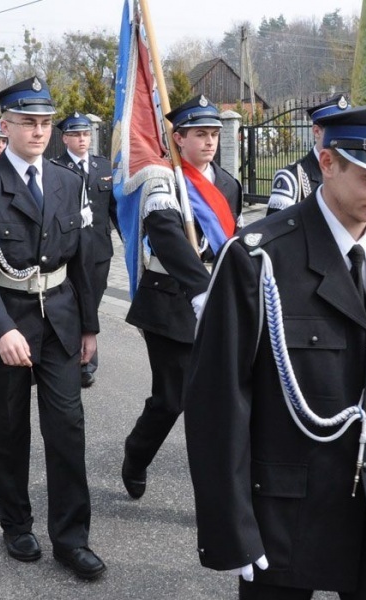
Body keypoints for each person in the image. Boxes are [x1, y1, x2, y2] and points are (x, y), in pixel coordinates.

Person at [185, 102, 366, 600]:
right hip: (284, 512)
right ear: (328, 162)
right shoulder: (260, 258)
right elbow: (218, 403)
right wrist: (233, 528)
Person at [0, 77, 104, 579]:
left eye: (46, 122)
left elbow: (84, 258)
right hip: (5, 324)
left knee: (68, 430)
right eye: (29, 123)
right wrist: (0, 329)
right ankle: (17, 524)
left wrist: (91, 327)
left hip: (61, 322)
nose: (40, 131)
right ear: (6, 126)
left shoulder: (68, 180)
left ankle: (71, 538)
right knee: (8, 430)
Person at [121, 94, 241, 500]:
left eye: (214, 134)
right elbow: (167, 236)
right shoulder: (163, 178)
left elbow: (231, 242)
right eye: (200, 134)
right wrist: (200, 289)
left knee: (217, 401)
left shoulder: (227, 184)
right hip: (171, 302)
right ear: (179, 137)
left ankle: (217, 492)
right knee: (172, 400)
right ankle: (136, 453)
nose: (209, 142)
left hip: (217, 301)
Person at [53, 112, 118, 388]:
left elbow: (114, 209)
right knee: (76, 303)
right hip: (71, 251)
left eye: (86, 134)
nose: (82, 139)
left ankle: (83, 354)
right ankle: (83, 364)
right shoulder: (56, 168)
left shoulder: (103, 167)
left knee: (91, 304)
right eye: (76, 134)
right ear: (65, 138)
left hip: (100, 251)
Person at [265, 92, 349, 215]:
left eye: (347, 129)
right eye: (336, 130)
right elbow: (276, 231)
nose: (344, 136)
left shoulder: (353, 172)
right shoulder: (292, 178)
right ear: (316, 132)